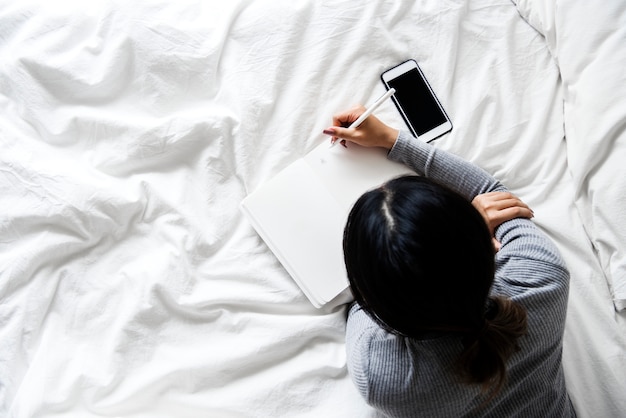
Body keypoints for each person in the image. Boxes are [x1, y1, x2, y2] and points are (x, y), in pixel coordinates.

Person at [322, 106, 575, 417]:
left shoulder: (384, 377)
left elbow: (361, 304)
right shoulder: (542, 276)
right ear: (484, 248)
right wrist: (392, 139)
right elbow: (493, 195)